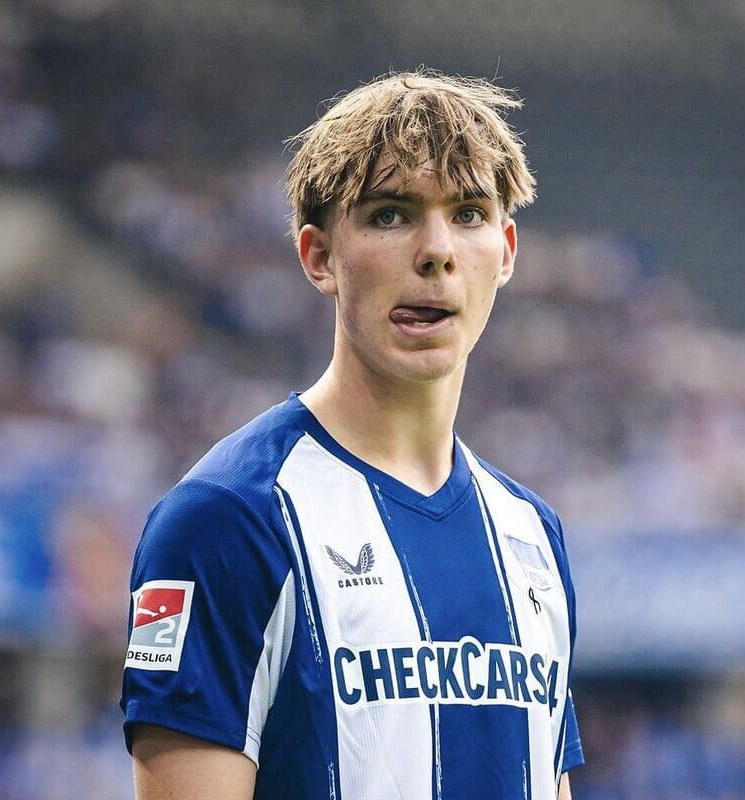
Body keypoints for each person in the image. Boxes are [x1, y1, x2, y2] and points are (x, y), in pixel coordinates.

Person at [121, 69, 584, 800]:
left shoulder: (533, 538)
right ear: (318, 257)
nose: (436, 251)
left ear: (507, 250)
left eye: (468, 214)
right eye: (391, 215)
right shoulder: (225, 521)